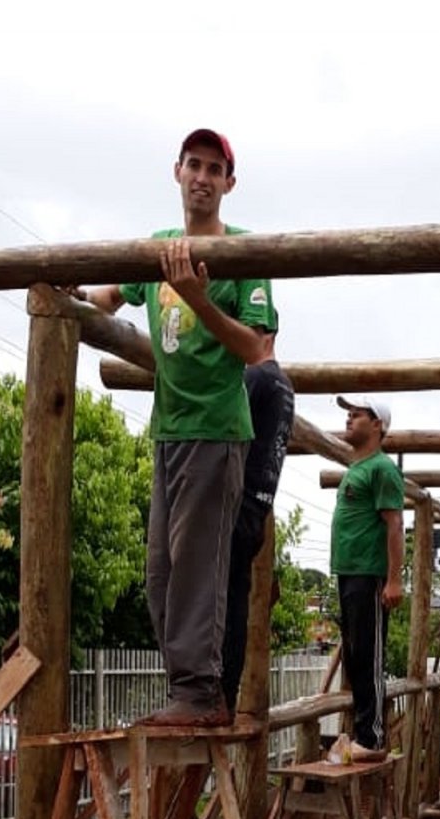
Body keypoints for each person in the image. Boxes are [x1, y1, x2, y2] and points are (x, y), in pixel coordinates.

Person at [85, 128, 278, 727]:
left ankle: (201, 693)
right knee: (161, 572)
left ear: (229, 183)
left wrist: (197, 297)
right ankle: (187, 689)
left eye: (213, 168)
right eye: (193, 164)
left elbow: (256, 349)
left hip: (217, 429)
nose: (202, 176)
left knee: (198, 565)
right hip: (168, 428)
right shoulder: (160, 248)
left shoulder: (245, 255)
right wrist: (72, 296)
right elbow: (109, 300)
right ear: (177, 173)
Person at [329, 395, 405, 757]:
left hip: (368, 573)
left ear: (378, 425)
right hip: (347, 571)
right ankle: (362, 733)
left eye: (357, 415)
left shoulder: (382, 469)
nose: (349, 418)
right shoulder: (355, 468)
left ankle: (372, 737)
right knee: (356, 655)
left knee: (369, 655)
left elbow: (394, 524)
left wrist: (394, 579)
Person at [221, 359, 295, 713]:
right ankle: (225, 692)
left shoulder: (257, 377)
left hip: (237, 502)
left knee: (220, 598)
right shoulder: (283, 387)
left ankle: (217, 692)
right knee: (236, 596)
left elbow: (225, 421)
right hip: (258, 506)